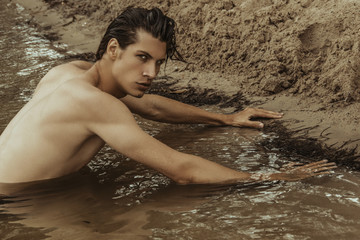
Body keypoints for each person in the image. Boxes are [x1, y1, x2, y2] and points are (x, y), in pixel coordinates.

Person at [0, 7, 336, 184]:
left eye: (158, 62)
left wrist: (225, 118)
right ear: (114, 49)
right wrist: (271, 177)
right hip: (14, 202)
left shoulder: (68, 73)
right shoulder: (94, 103)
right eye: (142, 58)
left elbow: (153, 108)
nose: (152, 74)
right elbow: (182, 171)